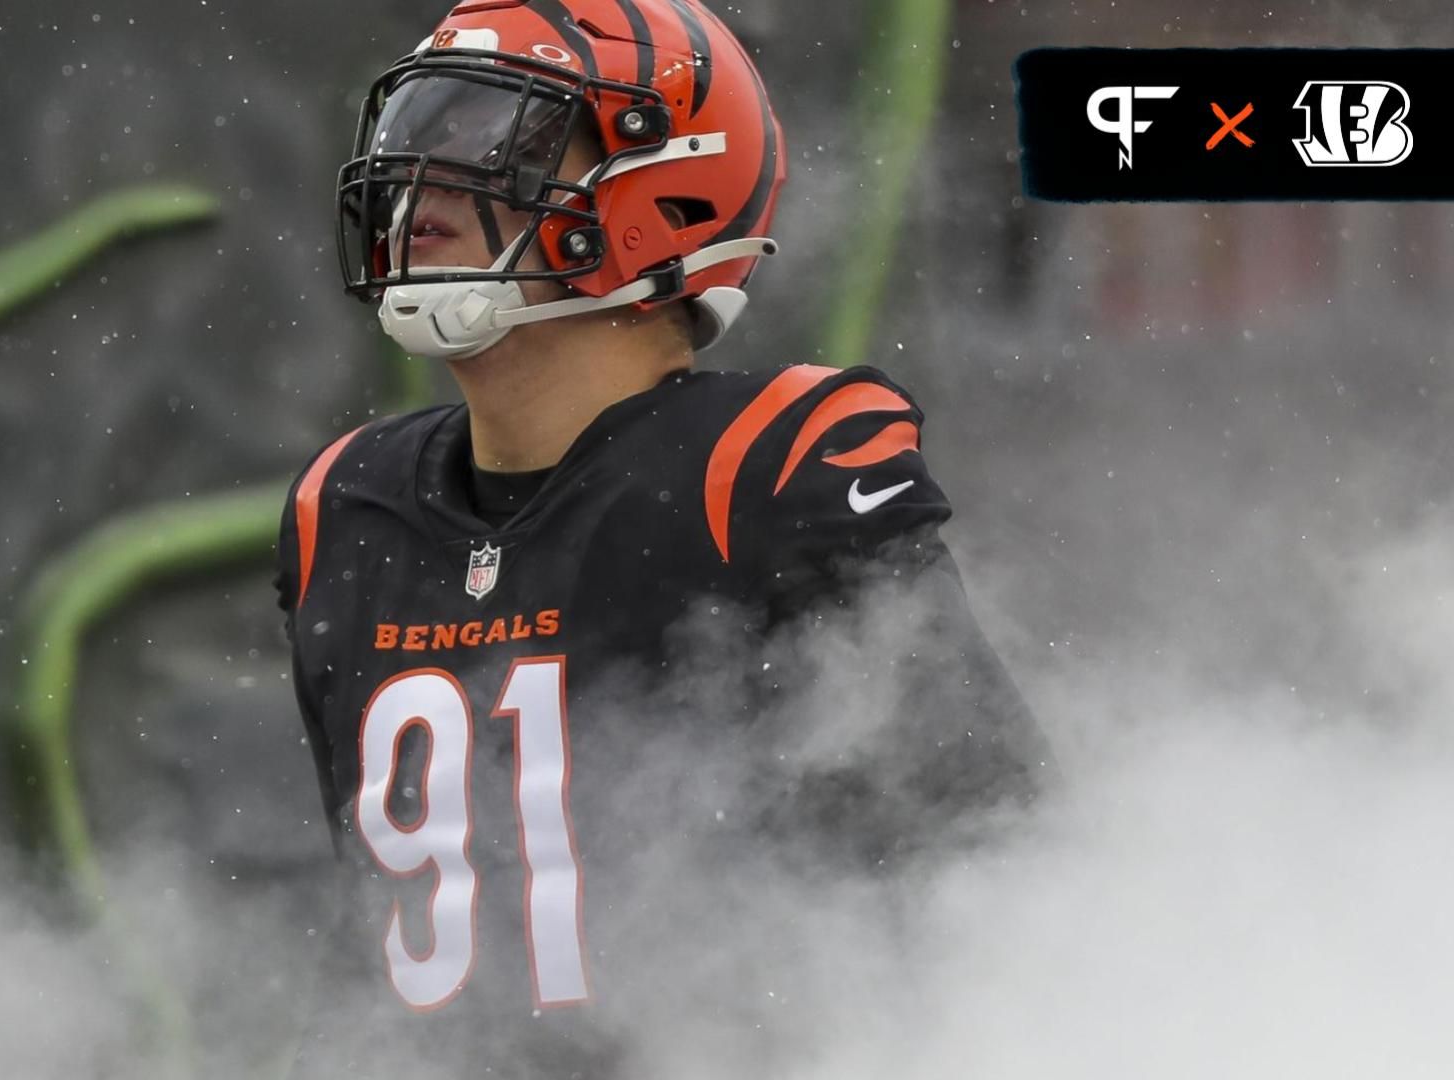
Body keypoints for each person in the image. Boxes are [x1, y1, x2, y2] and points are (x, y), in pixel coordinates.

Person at [275, 1, 1049, 1074]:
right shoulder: (344, 504)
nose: (420, 180)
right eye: (417, 129)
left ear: (657, 189)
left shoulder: (765, 466)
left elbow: (1005, 866)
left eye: (487, 134)